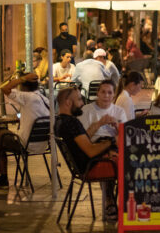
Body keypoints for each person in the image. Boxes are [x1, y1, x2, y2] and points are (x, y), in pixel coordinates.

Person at [55, 87, 118, 223]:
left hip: (79, 167)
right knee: (128, 164)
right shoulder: (72, 123)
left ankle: (110, 201)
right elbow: (90, 150)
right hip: (89, 168)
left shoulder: (60, 122)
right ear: (68, 102)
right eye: (78, 99)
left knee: (112, 152)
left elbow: (83, 140)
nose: (82, 103)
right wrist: (112, 141)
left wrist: (99, 124)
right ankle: (117, 204)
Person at [0, 72, 50, 188]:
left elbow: (4, 88)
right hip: (44, 145)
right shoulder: (44, 98)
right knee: (2, 135)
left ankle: (1, 173)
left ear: (24, 86)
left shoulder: (27, 97)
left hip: (27, 145)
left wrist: (22, 78)